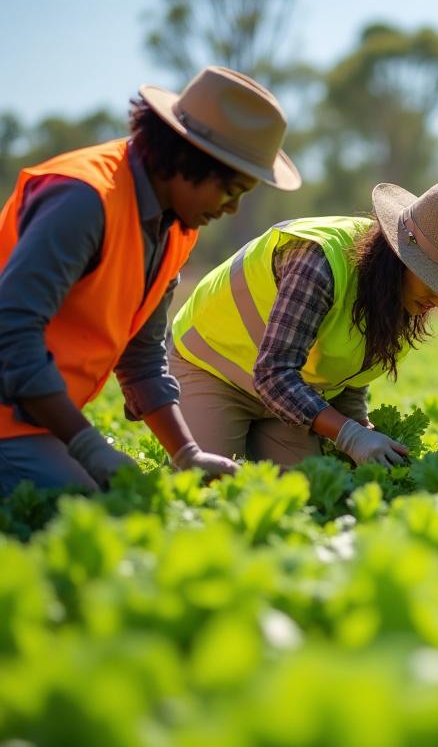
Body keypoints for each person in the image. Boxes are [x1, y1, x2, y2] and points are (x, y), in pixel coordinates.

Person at [0, 66, 301, 493]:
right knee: (92, 508)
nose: (231, 208)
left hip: (37, 417)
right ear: (189, 160)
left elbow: (141, 354)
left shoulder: (175, 227)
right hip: (11, 415)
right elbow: (11, 333)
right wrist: (86, 446)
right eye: (231, 189)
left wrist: (187, 454)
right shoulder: (83, 200)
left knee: (126, 495)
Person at [169, 180, 438, 467]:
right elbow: (273, 375)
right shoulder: (318, 262)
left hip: (287, 397)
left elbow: (349, 372)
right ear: (401, 259)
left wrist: (361, 427)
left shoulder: (399, 297)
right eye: (435, 281)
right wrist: (349, 435)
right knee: (211, 481)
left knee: (307, 489)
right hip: (214, 369)